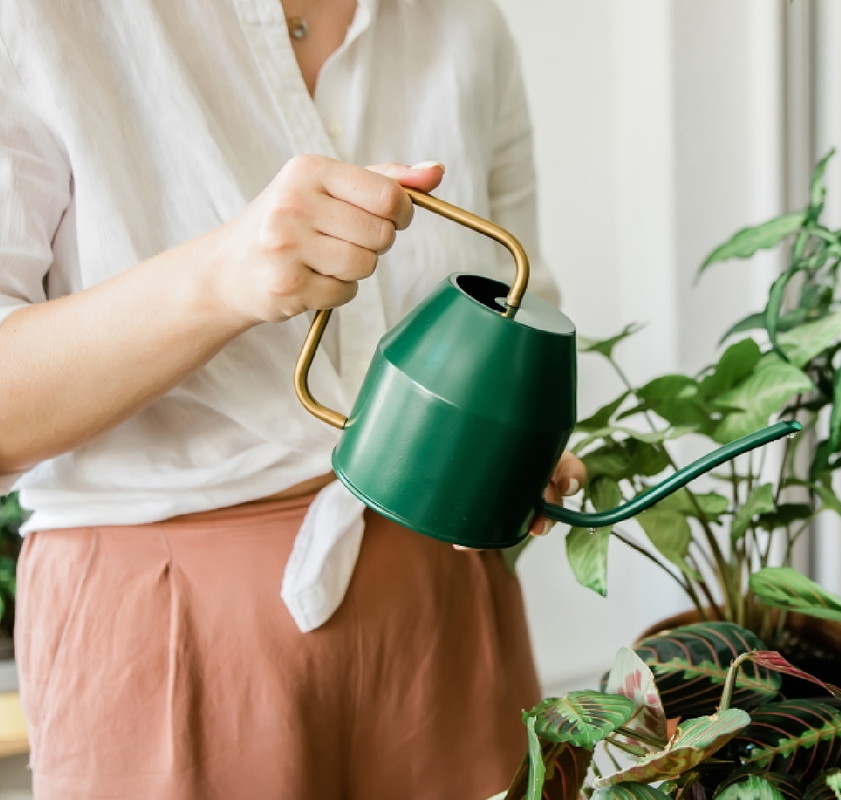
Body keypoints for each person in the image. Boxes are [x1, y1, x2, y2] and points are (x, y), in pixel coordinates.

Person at [0, 1, 585, 797]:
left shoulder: (461, 23)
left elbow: (523, 307)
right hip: (169, 636)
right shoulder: (42, 22)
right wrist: (218, 278)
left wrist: (520, 449)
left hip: (446, 611)